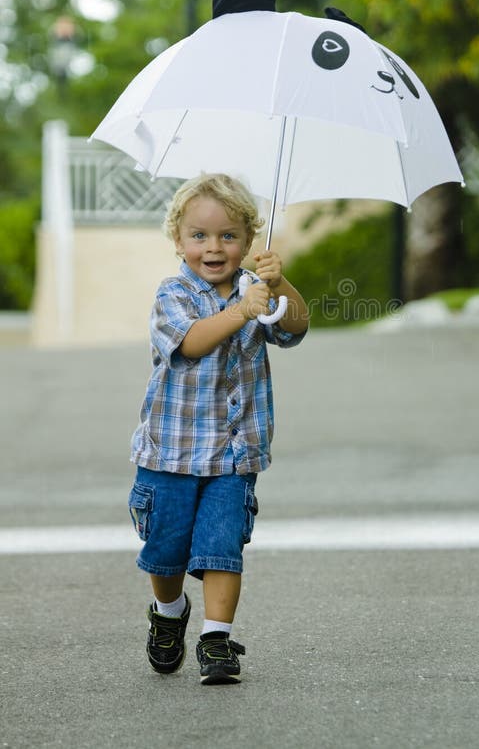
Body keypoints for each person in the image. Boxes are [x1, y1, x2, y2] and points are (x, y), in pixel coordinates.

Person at [128, 172, 309, 684]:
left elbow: (295, 326)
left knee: (221, 547)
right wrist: (239, 311)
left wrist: (280, 284)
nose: (214, 247)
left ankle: (217, 639)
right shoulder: (172, 294)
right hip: (171, 456)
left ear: (249, 242)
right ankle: (169, 614)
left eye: (229, 236)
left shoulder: (257, 289)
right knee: (165, 555)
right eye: (200, 236)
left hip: (235, 454)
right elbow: (189, 343)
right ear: (179, 240)